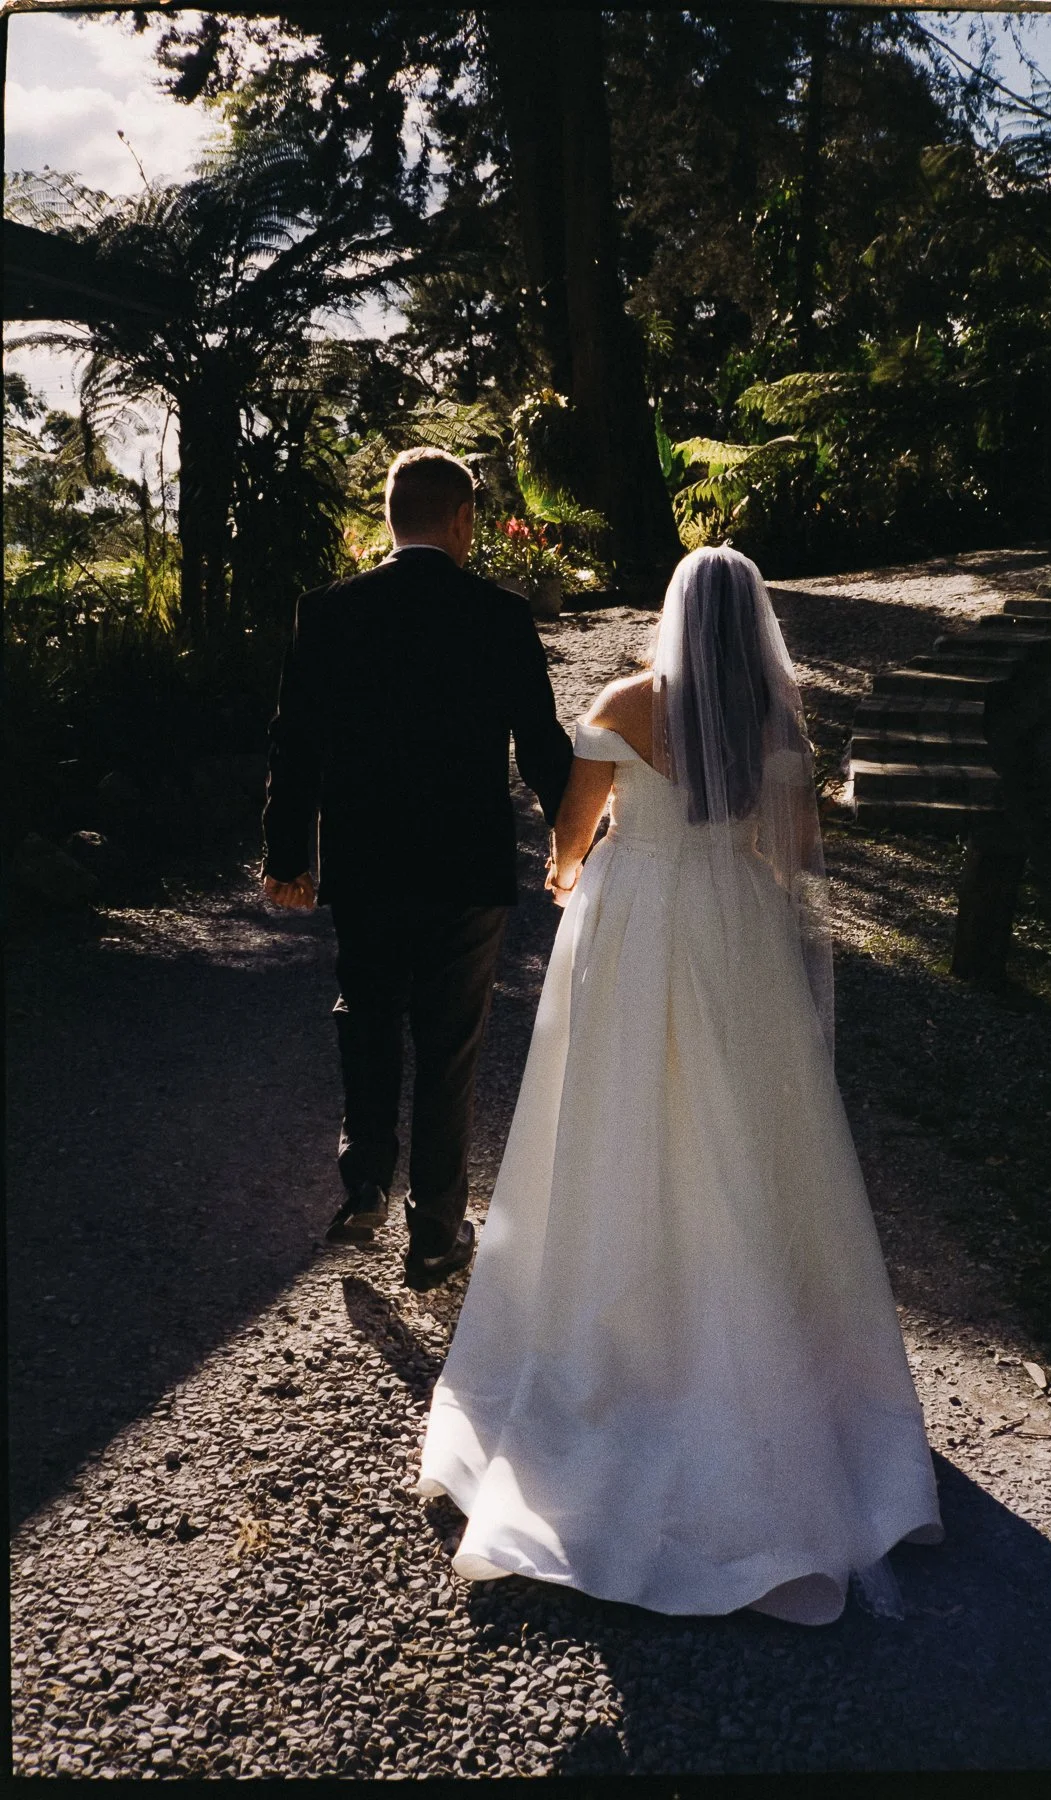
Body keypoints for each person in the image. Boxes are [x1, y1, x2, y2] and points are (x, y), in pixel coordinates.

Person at [417, 544, 943, 1625]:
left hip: (631, 928)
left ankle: (615, 1340)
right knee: (744, 1139)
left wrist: (574, 875)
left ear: (670, 612)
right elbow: (793, 851)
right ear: (751, 623)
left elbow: (570, 830)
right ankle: (765, 1358)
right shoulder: (770, 721)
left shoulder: (623, 697)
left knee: (609, 1121)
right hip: (732, 936)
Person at [261, 447, 574, 1290]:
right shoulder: (500, 615)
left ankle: (364, 1183)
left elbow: (296, 744)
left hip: (364, 864)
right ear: (465, 521)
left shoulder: (327, 612)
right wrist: (576, 838)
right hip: (465, 869)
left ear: (391, 517)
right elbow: (542, 745)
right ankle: (435, 1235)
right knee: (448, 1048)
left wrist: (287, 856)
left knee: (363, 1015)